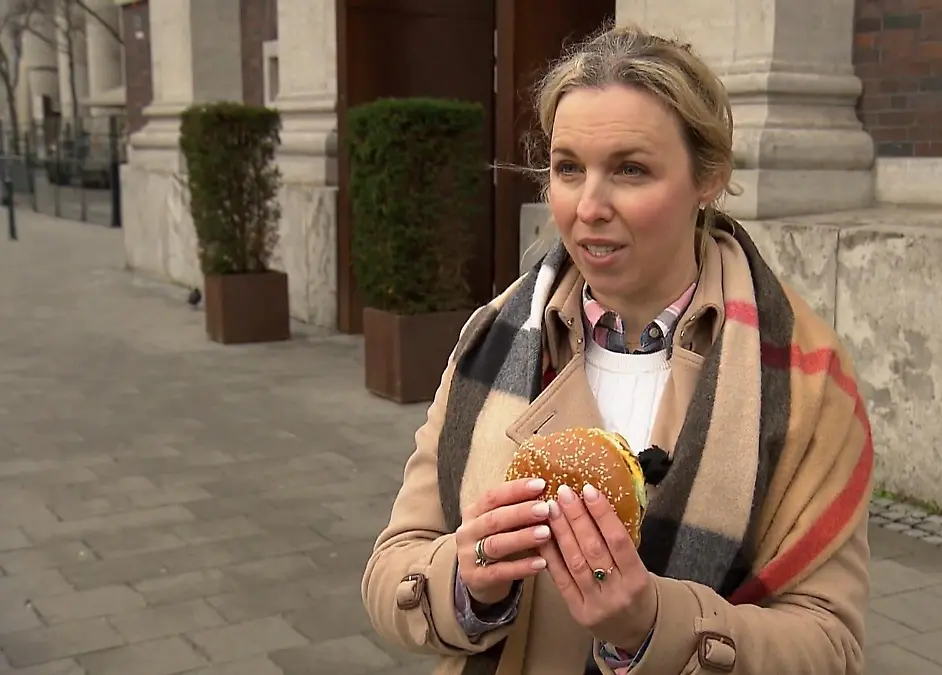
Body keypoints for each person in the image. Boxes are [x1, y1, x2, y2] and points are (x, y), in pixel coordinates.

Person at [361, 22, 873, 675]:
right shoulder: (491, 335)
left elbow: (831, 644)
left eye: (631, 169)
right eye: (568, 168)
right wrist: (467, 582)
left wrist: (653, 627)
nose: (588, 206)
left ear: (708, 176)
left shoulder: (804, 376)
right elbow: (390, 570)